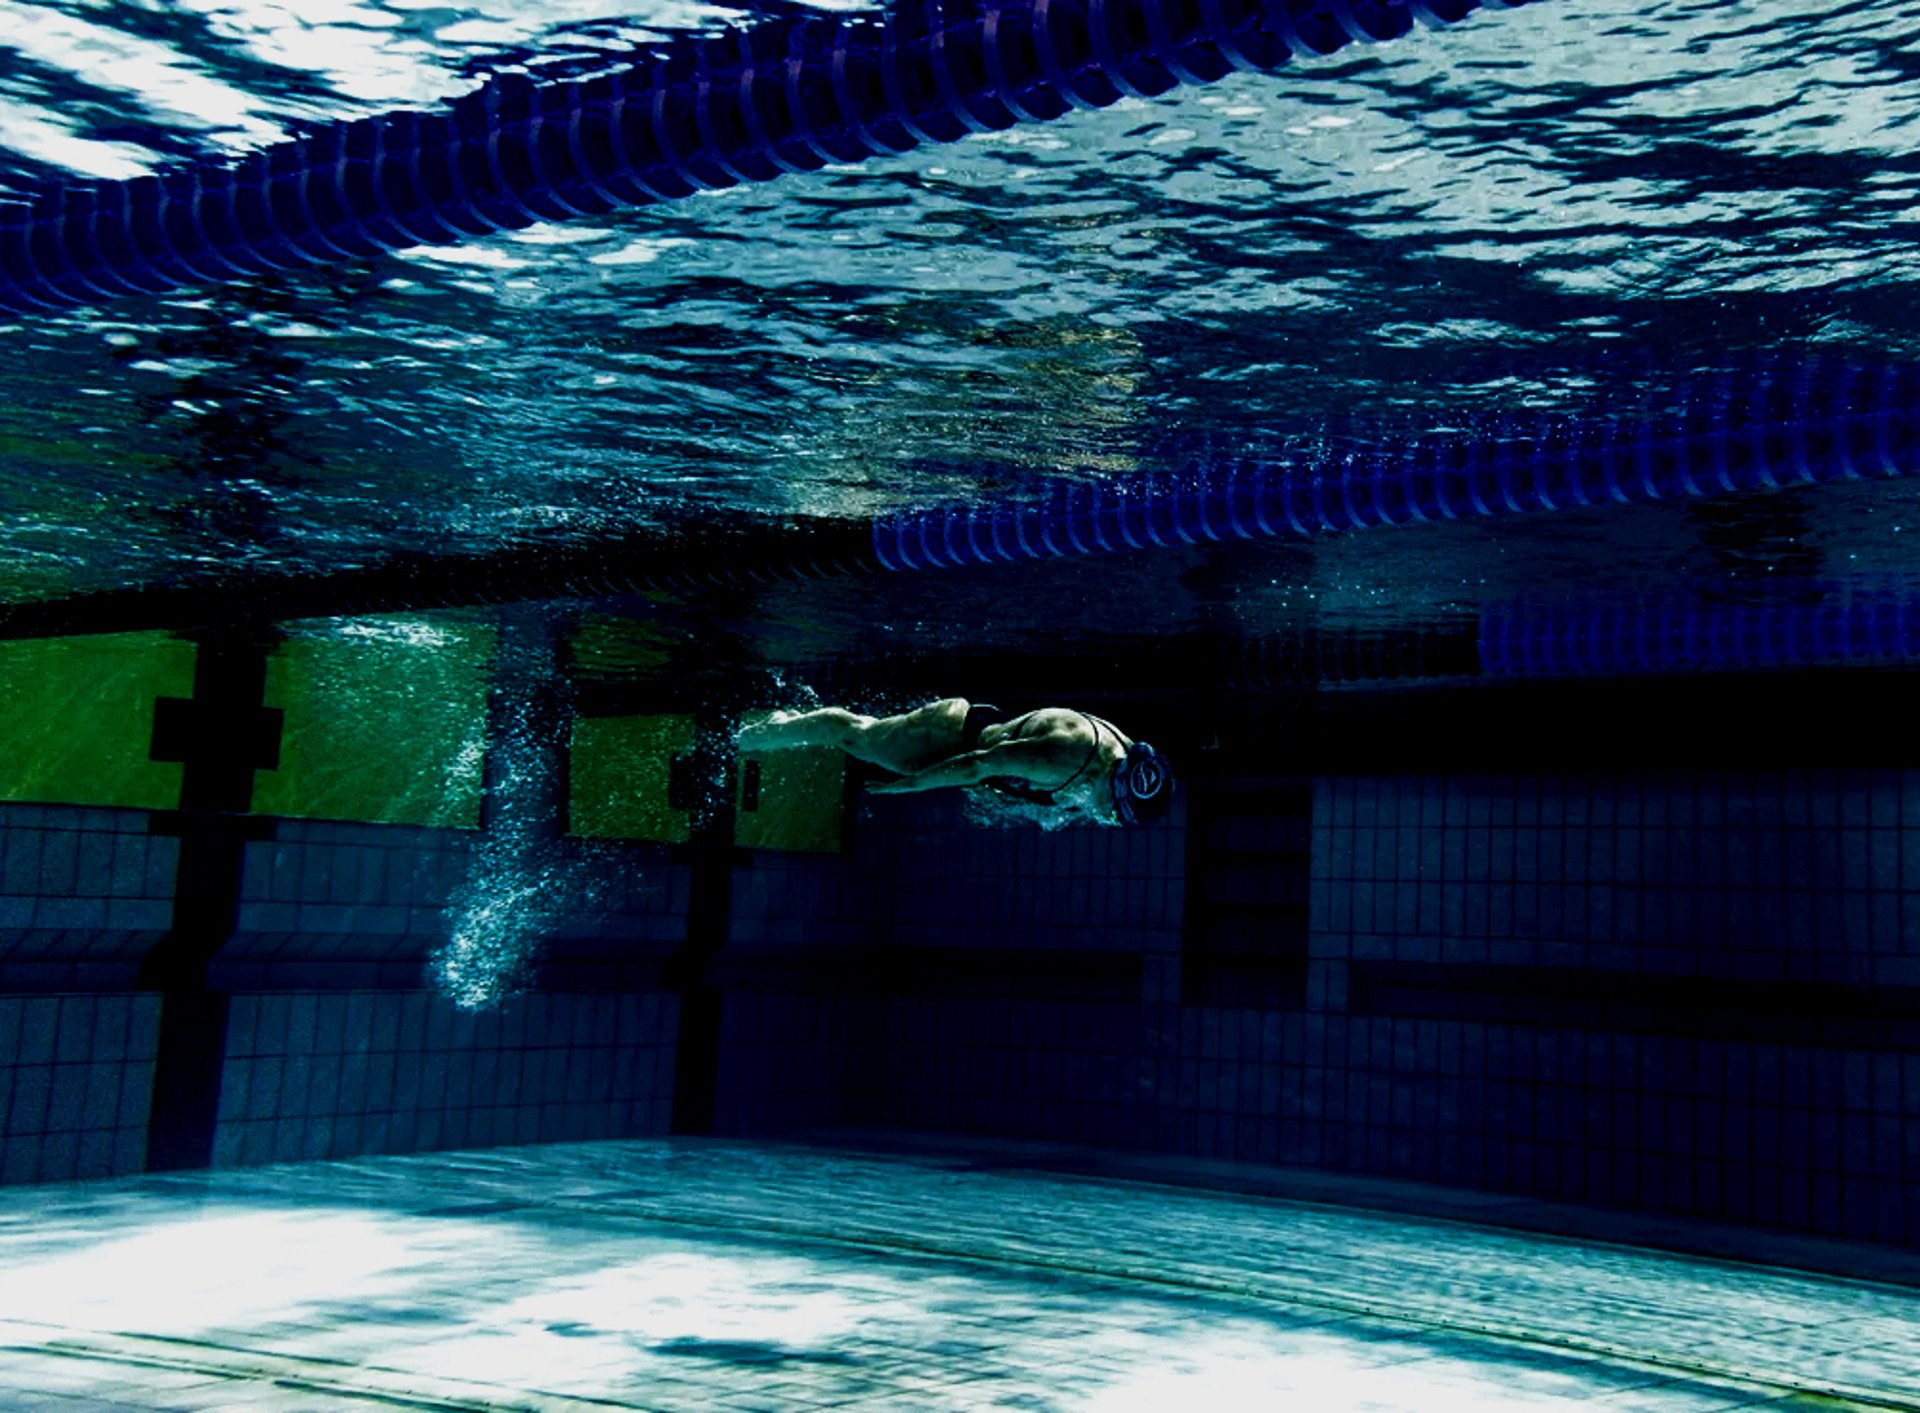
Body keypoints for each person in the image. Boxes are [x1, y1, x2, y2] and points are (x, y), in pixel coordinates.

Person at [737, 698, 1175, 827]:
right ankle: (763, 734)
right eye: (1114, 812)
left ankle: (781, 726)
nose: (1106, 818)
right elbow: (978, 765)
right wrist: (908, 787)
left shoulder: (1122, 754)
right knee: (856, 735)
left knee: (866, 740)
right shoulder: (1064, 756)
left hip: (974, 734)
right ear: (1116, 785)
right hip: (949, 737)